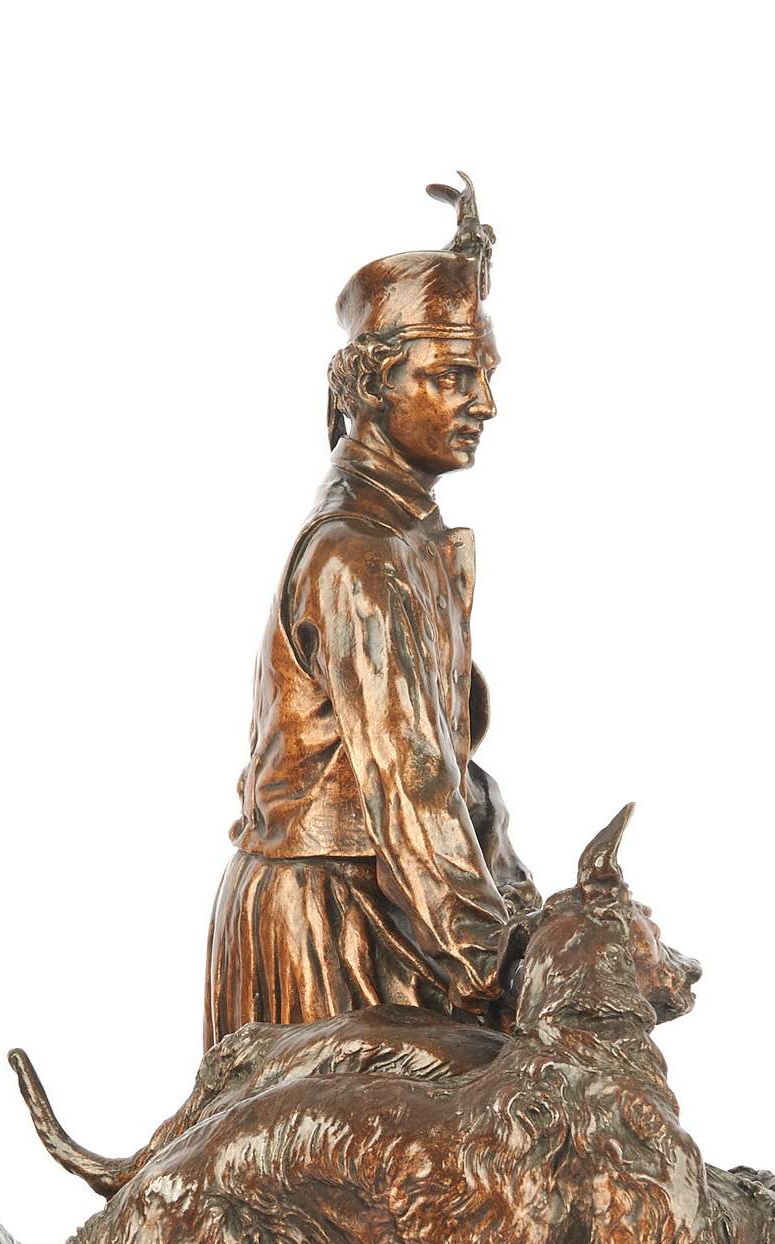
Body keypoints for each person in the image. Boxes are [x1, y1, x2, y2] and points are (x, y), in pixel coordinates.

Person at [205, 174, 540, 1050]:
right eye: (453, 376)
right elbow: (412, 788)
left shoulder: (408, 531)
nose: (485, 403)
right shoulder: (361, 553)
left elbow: (450, 774)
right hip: (336, 922)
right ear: (375, 386)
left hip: (400, 899)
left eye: (486, 374)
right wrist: (506, 970)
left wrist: (517, 901)